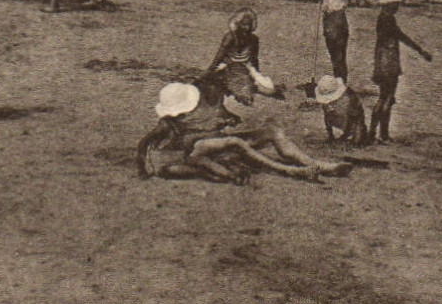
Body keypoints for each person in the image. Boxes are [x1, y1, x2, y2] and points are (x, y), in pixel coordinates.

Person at [136, 80, 351, 182]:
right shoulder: (168, 123)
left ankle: (317, 164)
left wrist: (224, 122)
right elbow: (145, 143)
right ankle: (290, 170)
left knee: (272, 130)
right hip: (205, 150)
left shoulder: (200, 107)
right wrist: (144, 167)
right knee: (234, 143)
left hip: (221, 144)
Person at [370, 0, 431, 144]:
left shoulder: (383, 18)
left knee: (383, 97)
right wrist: (420, 50)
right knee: (388, 98)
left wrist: (377, 65)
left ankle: (373, 132)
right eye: (395, 3)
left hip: (383, 61)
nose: (397, 6)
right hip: (390, 61)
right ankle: (383, 134)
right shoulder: (388, 20)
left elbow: (383, 43)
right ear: (389, 3)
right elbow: (400, 37)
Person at [209, 10, 277, 105]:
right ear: (237, 24)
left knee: (270, 90)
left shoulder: (254, 39)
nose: (246, 27)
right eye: (243, 24)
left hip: (245, 68)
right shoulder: (230, 37)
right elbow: (220, 55)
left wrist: (256, 74)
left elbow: (254, 58)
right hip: (228, 67)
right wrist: (211, 69)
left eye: (248, 24)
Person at [319, 0, 352, 81]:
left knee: (339, 54)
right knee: (333, 53)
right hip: (328, 19)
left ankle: (341, 81)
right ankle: (338, 79)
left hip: (338, 20)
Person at [315, 74, 369, 146]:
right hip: (340, 118)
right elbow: (326, 116)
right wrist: (331, 136)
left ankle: (353, 135)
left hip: (354, 120)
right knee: (329, 114)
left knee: (357, 142)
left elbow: (354, 117)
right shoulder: (326, 104)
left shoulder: (348, 98)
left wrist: (345, 136)